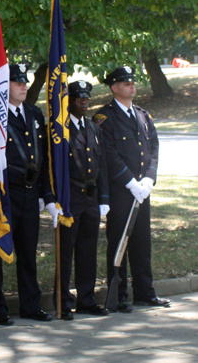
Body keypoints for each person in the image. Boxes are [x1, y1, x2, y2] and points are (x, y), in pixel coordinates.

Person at [0, 63, 58, 325]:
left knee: (28, 251)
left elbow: (43, 156)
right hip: (5, 192)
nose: (23, 85)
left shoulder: (35, 114)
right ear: (5, 86)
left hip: (29, 191)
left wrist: (42, 193)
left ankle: (30, 304)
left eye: (24, 81)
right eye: (16, 82)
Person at [94, 66, 171, 313]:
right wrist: (130, 182)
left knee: (141, 243)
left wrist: (149, 179)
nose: (131, 86)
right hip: (120, 190)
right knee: (119, 242)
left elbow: (153, 149)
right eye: (125, 83)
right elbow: (109, 154)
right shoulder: (103, 118)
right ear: (114, 88)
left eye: (132, 82)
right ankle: (120, 295)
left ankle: (145, 293)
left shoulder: (143, 115)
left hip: (142, 191)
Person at [54, 80, 109, 321]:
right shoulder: (59, 129)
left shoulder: (94, 127)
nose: (84, 102)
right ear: (69, 101)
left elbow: (102, 164)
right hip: (70, 197)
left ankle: (86, 299)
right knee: (65, 252)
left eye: (86, 98)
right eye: (78, 98)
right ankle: (63, 301)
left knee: (87, 251)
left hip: (90, 197)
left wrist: (103, 197)